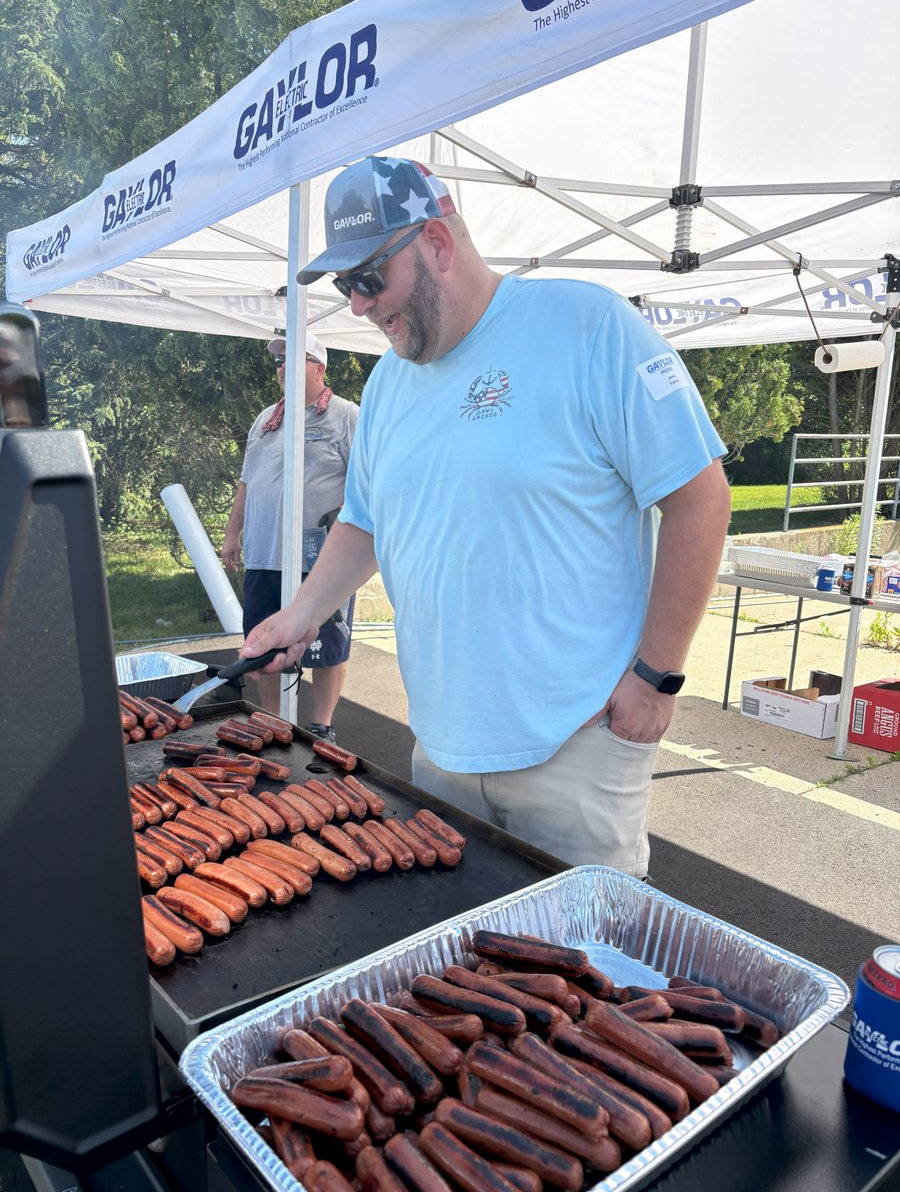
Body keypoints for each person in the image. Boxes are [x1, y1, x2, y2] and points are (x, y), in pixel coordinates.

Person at [241, 155, 731, 875]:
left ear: (438, 243)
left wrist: (655, 680)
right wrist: (303, 613)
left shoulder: (589, 326)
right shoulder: (387, 386)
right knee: (459, 946)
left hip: (578, 744)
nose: (358, 306)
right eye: (345, 285)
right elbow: (365, 522)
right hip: (440, 749)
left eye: (368, 278)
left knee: (582, 949)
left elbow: (700, 498)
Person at [222, 332, 358, 738]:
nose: (283, 368)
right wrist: (232, 533)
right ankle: (274, 722)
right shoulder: (266, 419)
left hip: (322, 559)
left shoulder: (346, 415)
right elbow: (247, 481)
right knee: (263, 645)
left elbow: (366, 483)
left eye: (294, 359)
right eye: (280, 361)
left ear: (320, 368)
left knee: (328, 646)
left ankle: (322, 725)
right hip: (265, 553)